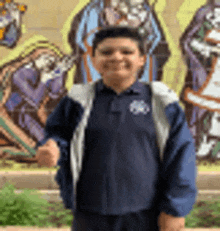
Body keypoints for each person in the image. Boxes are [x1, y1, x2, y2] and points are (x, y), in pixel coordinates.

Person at [36, 26, 198, 231]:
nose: (116, 57)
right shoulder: (77, 101)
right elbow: (58, 136)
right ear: (93, 59)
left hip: (146, 214)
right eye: (106, 52)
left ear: (142, 59)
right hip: (89, 213)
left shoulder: (161, 102)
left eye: (126, 52)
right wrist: (52, 148)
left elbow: (182, 157)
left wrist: (175, 209)